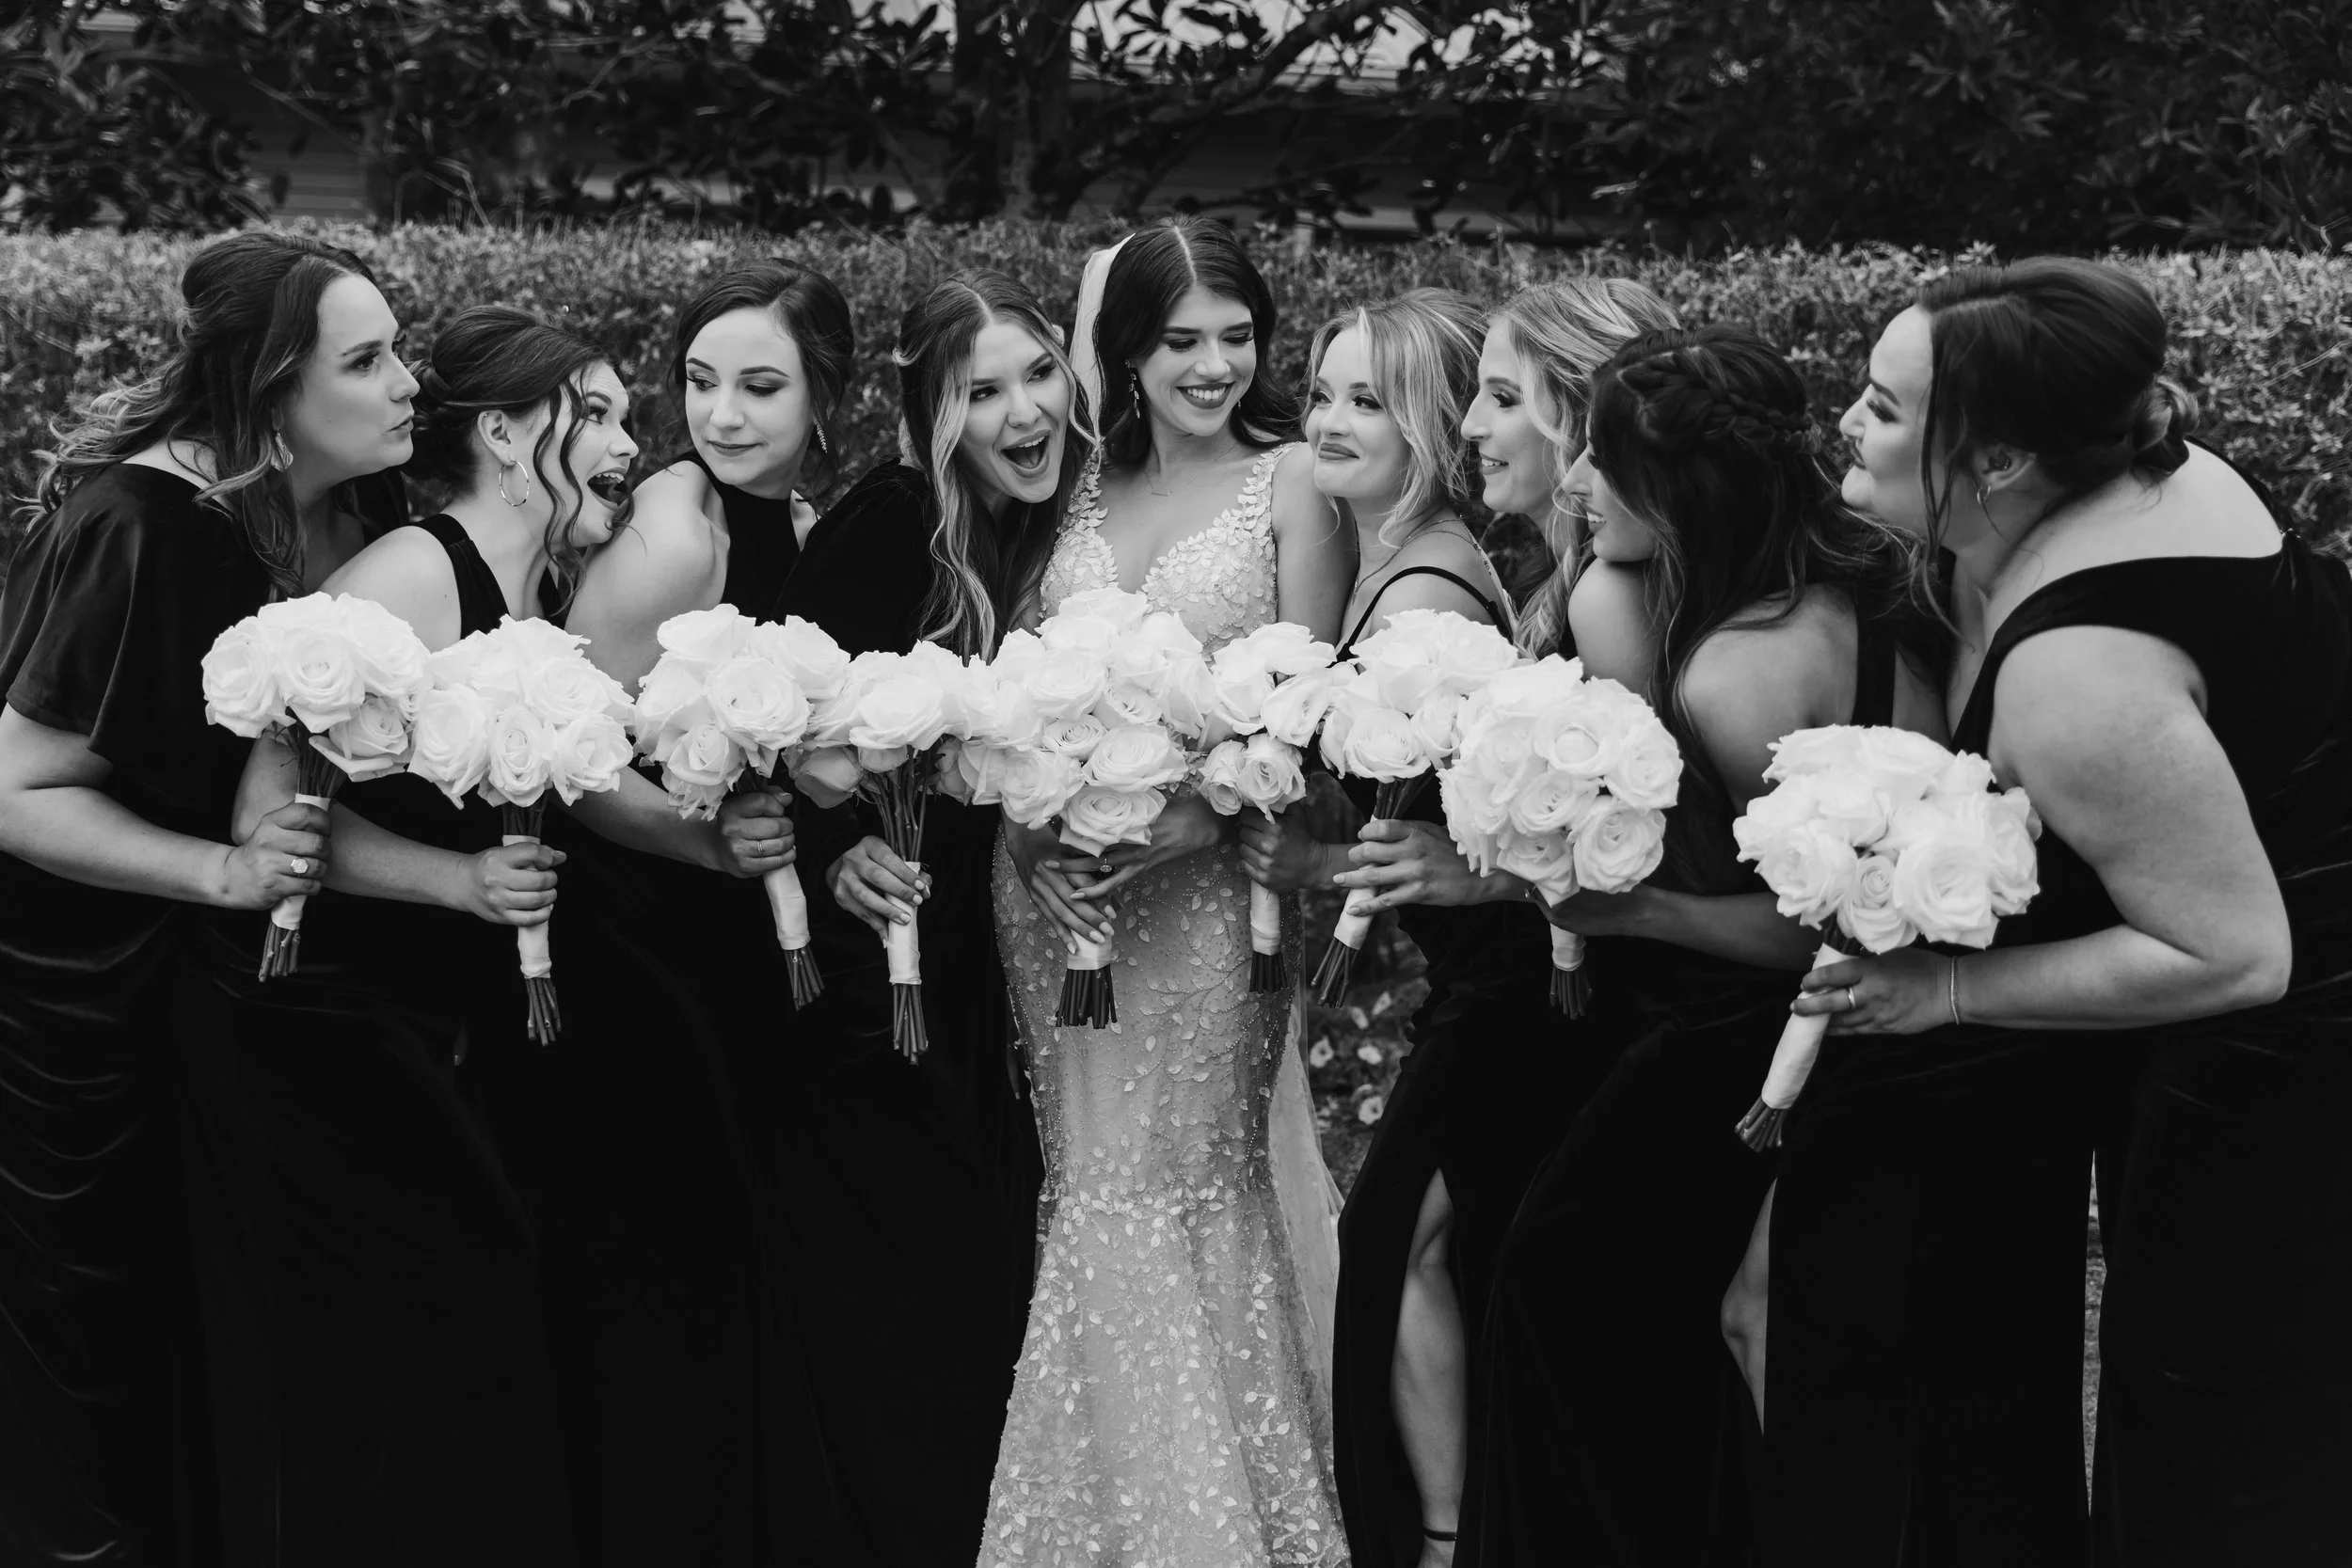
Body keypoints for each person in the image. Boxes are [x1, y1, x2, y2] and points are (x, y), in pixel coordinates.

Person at [1750, 257, 2352, 1565]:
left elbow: (2237, 952)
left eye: (1887, 406)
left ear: (2006, 456)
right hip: (2229, 1044)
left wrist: (1944, 991)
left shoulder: (2082, 671)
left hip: (2278, 1082)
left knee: (2222, 1456)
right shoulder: (2142, 474)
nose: (1848, 420)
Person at [1449, 325, 1947, 1565]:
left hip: (1749, 1041)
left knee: (1558, 1288)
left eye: (1601, 468)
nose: (1573, 488)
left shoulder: (1737, 673)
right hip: (1849, 1047)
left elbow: (1811, 945)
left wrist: (1631, 911)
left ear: (1681, 491)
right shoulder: (1880, 589)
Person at [173, 306, 636, 1567]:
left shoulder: (546, 583)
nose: (627, 441)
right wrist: (460, 880)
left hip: (453, 1023)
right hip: (334, 1026)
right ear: (500, 431)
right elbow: (272, 814)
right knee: (428, 1332)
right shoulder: (407, 578)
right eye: (592, 414)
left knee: (483, 1331)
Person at [0, 231, 408, 1567]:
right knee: (97, 1379)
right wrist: (219, 873)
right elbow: (16, 791)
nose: (406, 382)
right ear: (272, 388)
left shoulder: (299, 513)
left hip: (185, 1004)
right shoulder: (142, 525)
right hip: (65, 1019)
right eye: (367, 359)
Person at [1237, 283, 1659, 1568]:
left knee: (1404, 1239)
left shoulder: (1439, 591)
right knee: (1436, 1245)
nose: (1330, 418)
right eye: (1321, 391)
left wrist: (1458, 870)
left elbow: (1563, 823)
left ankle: (1443, 1534)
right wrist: (1312, 842)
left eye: (1372, 397)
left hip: (1509, 982)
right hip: (1473, 967)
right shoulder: (1425, 569)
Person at [980, 214, 1353, 1567]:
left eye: (1235, 337)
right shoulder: (1067, 492)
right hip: (1058, 895)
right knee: (1088, 1188)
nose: (1210, 365)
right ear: (1123, 352)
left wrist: (1189, 820)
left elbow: (1309, 709)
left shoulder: (1296, 483)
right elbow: (1000, 688)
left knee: (1185, 1181)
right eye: (1179, 339)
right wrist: (1030, 834)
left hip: (1207, 900)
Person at [712, 269, 1064, 1566]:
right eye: (983, 390)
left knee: (984, 1263)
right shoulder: (892, 522)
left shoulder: (1042, 527)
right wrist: (843, 843)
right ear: (932, 413)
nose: (1021, 412)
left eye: (1038, 376)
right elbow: (779, 724)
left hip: (981, 954)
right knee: (915, 1280)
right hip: (877, 978)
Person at [542, 261, 861, 1566]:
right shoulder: (682, 522)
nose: (723, 413)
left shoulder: (798, 506)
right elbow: (571, 751)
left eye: (762, 386)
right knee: (668, 1242)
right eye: (701, 382)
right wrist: (708, 839)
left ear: (826, 396)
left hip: (735, 918)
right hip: (642, 923)